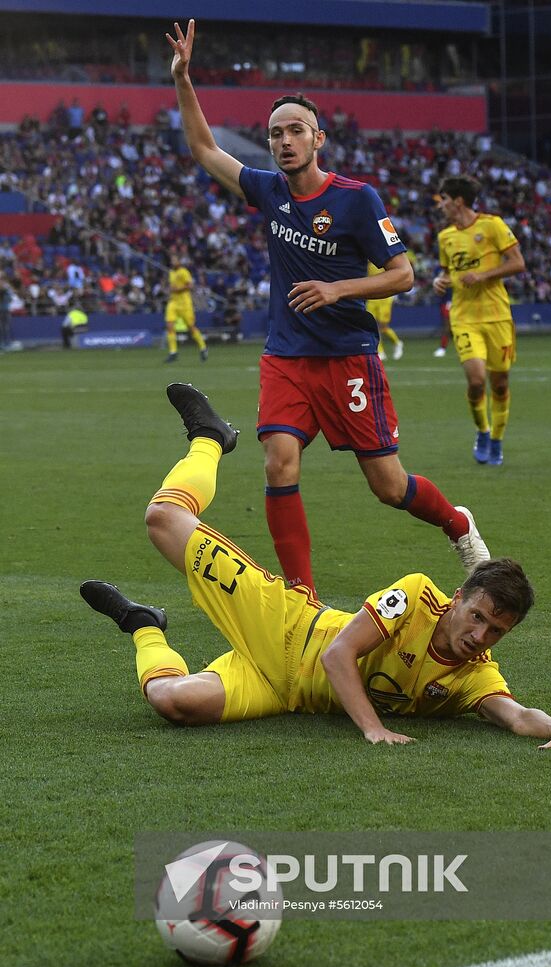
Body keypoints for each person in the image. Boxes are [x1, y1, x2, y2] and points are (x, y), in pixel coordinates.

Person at [80, 383, 551, 753]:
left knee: (173, 702)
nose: (481, 635)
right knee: (163, 519)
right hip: (285, 627)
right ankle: (211, 439)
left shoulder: (473, 676)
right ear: (458, 597)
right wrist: (373, 729)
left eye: (496, 630)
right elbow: (337, 656)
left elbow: (517, 716)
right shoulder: (418, 596)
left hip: (282, 692)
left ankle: (144, 626)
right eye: (478, 616)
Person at [165, 19, 489, 595]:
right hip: (287, 355)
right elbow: (203, 148)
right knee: (278, 464)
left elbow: (404, 274)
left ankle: (456, 521)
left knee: (388, 487)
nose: (284, 141)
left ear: (318, 140)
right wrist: (184, 80)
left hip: (347, 357)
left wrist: (338, 289)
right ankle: (301, 595)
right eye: (275, 134)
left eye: (296, 131)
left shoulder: (357, 199)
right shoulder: (268, 190)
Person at [433, 176, 526, 467]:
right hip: (464, 317)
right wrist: (441, 281)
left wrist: (483, 276)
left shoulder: (492, 225)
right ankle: (482, 432)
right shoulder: (445, 237)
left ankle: (497, 439)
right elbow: (449, 273)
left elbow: (518, 262)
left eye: (444, 200)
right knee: (476, 382)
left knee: (499, 384)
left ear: (458, 200)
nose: (442, 206)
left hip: (497, 316)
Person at [164, 251, 208, 363]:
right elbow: (172, 286)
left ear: (179, 261)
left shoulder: (184, 272)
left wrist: (177, 289)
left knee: (191, 327)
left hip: (185, 303)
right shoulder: (171, 272)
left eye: (174, 260)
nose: (172, 262)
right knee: (169, 325)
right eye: (171, 260)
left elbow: (190, 285)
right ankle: (173, 352)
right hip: (173, 302)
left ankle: (203, 348)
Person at [366, 261, 403, 361]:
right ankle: (380, 351)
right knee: (372, 326)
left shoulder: (384, 260)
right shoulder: (368, 263)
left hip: (385, 297)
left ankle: (397, 343)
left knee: (383, 327)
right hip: (372, 297)